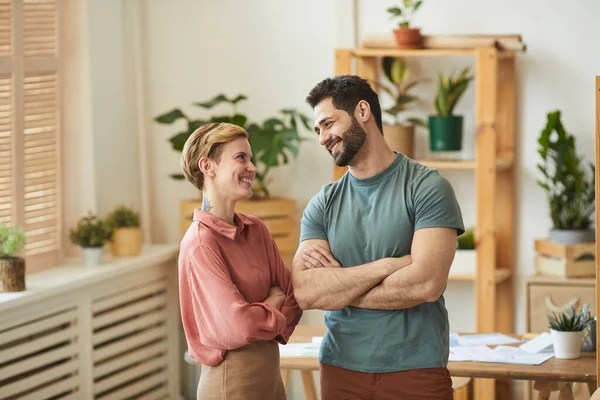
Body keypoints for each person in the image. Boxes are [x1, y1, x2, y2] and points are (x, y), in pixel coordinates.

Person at [292, 75, 464, 400]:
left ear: (362, 111)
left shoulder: (426, 188)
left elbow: (425, 285)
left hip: (415, 369)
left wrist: (338, 289)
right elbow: (305, 291)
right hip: (340, 368)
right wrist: (389, 265)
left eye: (328, 124)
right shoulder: (323, 203)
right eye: (317, 130)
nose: (322, 138)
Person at [178, 122, 303, 400]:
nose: (253, 167)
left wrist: (257, 315)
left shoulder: (256, 230)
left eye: (251, 158)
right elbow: (237, 325)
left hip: (271, 381)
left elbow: (293, 297)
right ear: (208, 166)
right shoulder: (200, 243)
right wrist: (272, 303)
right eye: (241, 158)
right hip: (229, 384)